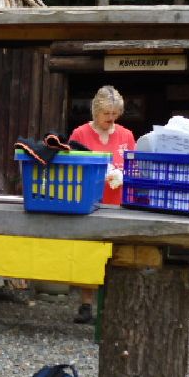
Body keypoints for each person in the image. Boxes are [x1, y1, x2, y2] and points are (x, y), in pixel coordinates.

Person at [68, 85, 136, 324]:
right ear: (96, 111)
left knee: (117, 254)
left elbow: (133, 166)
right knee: (90, 253)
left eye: (115, 114)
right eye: (107, 113)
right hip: (90, 202)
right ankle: (86, 304)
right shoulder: (80, 134)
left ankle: (114, 305)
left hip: (117, 202)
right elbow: (71, 167)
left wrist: (122, 174)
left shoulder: (126, 135)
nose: (111, 119)